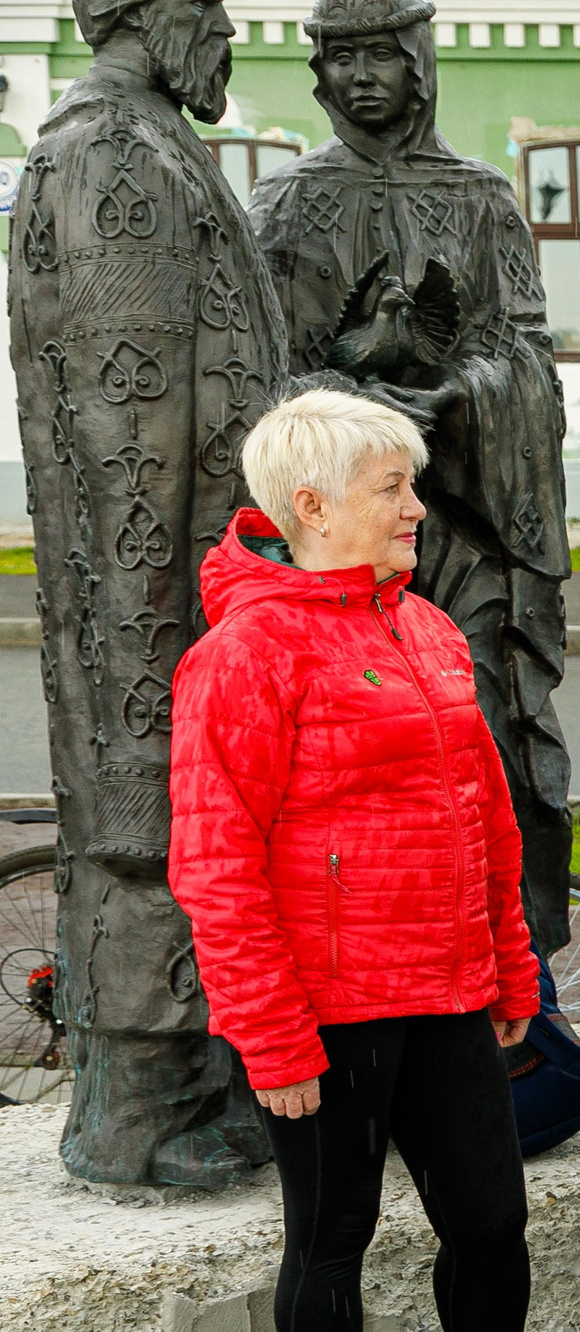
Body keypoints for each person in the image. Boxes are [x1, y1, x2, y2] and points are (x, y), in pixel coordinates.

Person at [169, 389, 580, 1332]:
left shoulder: (421, 630)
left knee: (491, 1218)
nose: (417, 507)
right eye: (393, 488)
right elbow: (215, 861)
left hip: (452, 991)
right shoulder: (245, 654)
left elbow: (488, 824)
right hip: (326, 1016)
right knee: (332, 1238)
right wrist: (270, 1039)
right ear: (309, 506)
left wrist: (517, 977)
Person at [12, 0, 293, 1187]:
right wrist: (166, 607)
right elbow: (126, 415)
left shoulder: (150, 133)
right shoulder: (108, 151)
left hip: (199, 567)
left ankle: (190, 1084)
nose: (228, 35)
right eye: (213, 12)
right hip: (156, 584)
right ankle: (143, 1109)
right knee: (159, 819)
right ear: (157, 12)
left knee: (210, 820)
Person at [252, 0, 577, 961]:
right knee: (342, 763)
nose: (360, 76)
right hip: (334, 538)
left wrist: (453, 395)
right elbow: (264, 371)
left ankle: (499, 973)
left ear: (419, 63)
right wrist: (351, 407)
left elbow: (527, 355)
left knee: (477, 740)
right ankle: (368, 965)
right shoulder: (284, 206)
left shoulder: (480, 200)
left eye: (379, 56)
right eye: (340, 58)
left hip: (463, 529)